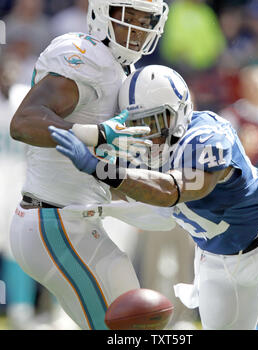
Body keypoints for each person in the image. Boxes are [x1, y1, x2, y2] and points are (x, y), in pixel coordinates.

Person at [50, 64, 258, 330]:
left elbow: (175, 189)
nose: (150, 135)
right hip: (216, 261)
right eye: (139, 125)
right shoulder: (139, 148)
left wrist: (101, 169)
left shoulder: (207, 135)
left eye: (156, 122)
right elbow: (130, 192)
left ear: (180, 111)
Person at [9, 0, 169, 330]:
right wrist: (95, 134)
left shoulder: (121, 72)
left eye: (146, 20)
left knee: (138, 324)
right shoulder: (85, 56)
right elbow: (23, 122)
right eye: (130, 17)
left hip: (79, 221)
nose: (138, 30)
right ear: (102, 13)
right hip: (55, 220)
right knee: (128, 329)